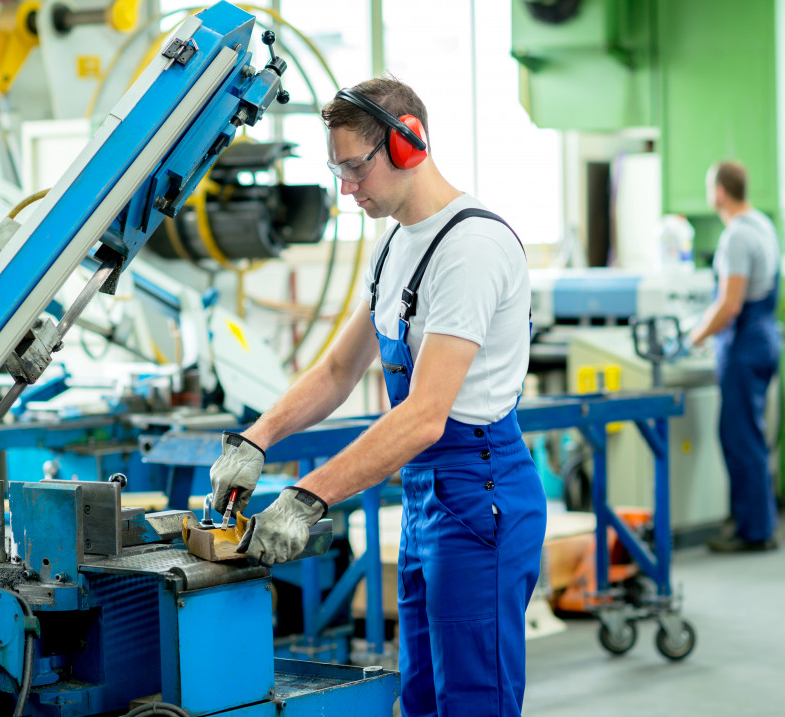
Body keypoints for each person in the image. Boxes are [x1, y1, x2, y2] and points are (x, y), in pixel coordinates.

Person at [208, 76, 547, 717]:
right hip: (427, 499)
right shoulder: (393, 242)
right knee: (421, 695)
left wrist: (308, 497)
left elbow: (422, 417)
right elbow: (340, 370)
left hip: (480, 496)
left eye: (355, 168)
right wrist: (257, 436)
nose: (346, 188)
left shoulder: (471, 248)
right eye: (336, 171)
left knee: (473, 699)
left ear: (409, 143)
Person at [687, 160, 781, 553]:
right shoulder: (762, 224)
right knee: (750, 435)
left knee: (740, 439)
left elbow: (729, 305)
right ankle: (755, 521)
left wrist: (694, 336)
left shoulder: (737, 237)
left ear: (720, 192)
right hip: (764, 338)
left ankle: (753, 531)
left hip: (744, 346)